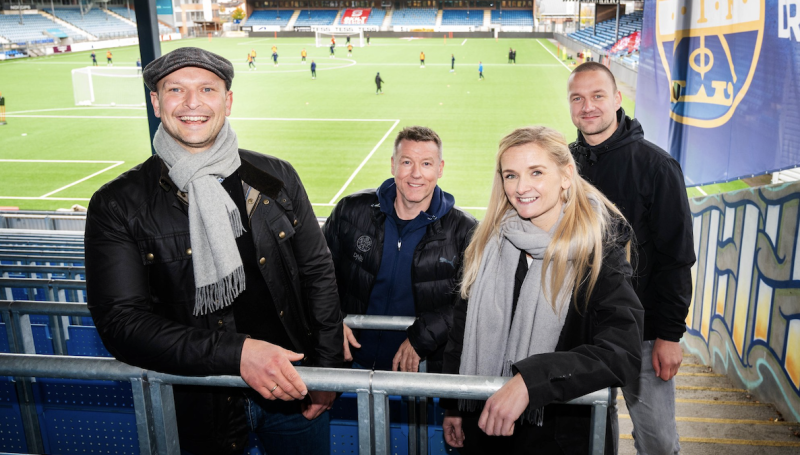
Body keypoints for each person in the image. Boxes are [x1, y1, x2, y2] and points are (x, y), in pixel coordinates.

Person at [85, 47, 343, 455]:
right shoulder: (118, 204)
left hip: (294, 388)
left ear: (228, 100)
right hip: (198, 402)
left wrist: (328, 373)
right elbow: (120, 323)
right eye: (175, 90)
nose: (192, 103)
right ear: (156, 102)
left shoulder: (276, 177)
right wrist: (237, 353)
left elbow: (317, 272)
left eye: (207, 88)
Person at [442, 126, 643, 455]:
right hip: (486, 429)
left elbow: (623, 352)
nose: (521, 188)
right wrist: (453, 405)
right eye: (511, 175)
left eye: (536, 172)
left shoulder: (598, 250)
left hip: (562, 439)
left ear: (565, 175)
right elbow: (462, 330)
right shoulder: (487, 242)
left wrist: (531, 381)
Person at [567, 62, 695, 455]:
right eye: (577, 98)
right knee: (587, 438)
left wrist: (669, 334)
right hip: (579, 334)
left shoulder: (656, 166)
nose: (587, 107)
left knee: (656, 441)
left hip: (643, 336)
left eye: (597, 96)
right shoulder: (562, 167)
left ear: (618, 99)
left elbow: (677, 258)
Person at [323, 126, 477, 373]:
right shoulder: (350, 212)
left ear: (440, 168)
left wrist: (422, 339)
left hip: (419, 371)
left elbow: (473, 302)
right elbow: (317, 275)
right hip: (348, 363)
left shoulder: (464, 231)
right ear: (393, 165)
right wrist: (330, 322)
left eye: (426, 164)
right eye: (407, 162)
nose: (416, 174)